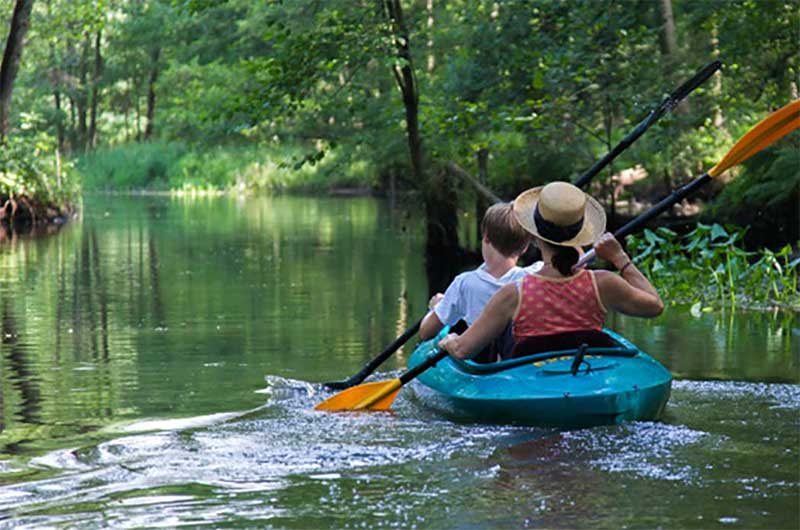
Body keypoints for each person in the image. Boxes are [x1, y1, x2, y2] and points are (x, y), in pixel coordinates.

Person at [438, 181, 663, 360]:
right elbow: (655, 306)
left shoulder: (512, 294)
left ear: (534, 237)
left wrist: (449, 340)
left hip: (530, 387)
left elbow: (462, 351)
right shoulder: (603, 283)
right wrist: (620, 258)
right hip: (585, 379)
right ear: (580, 234)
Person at [419, 202, 542, 361]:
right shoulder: (534, 275)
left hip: (479, 360)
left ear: (486, 238)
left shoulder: (463, 284)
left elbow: (425, 332)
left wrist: (436, 308)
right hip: (515, 359)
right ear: (525, 248)